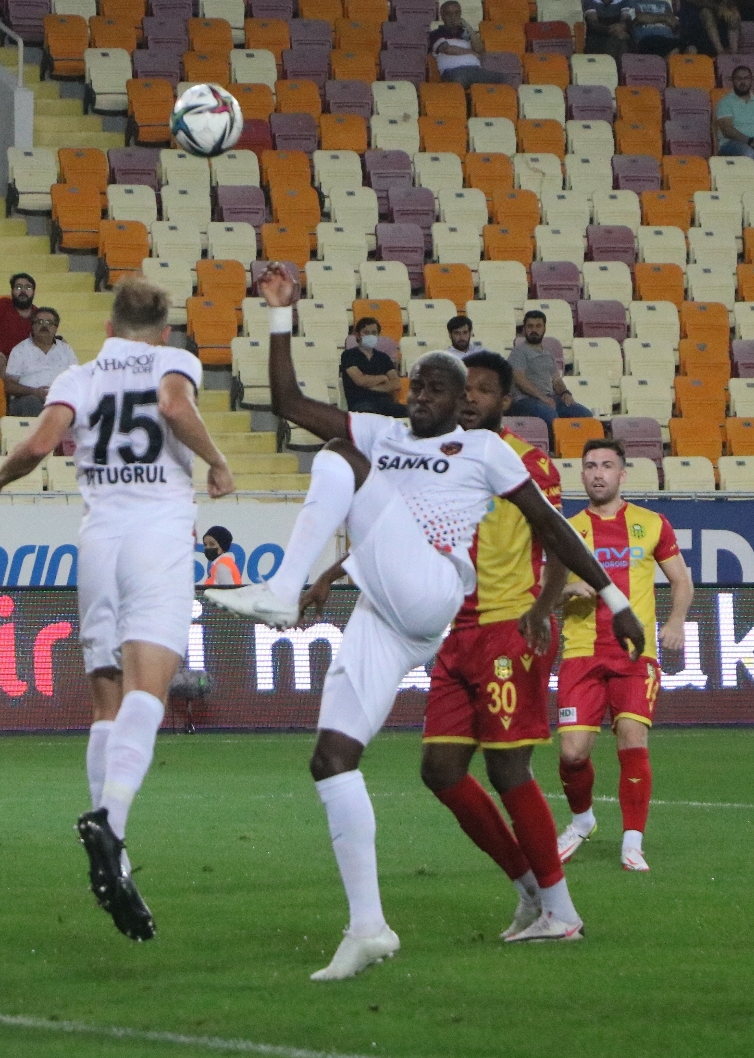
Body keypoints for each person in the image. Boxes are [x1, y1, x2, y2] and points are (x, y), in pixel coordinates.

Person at [207, 264, 645, 978]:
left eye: (445, 390)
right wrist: (280, 313)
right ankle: (367, 927)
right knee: (334, 759)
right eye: (422, 387)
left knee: (341, 455)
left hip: (440, 587)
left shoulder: (482, 449)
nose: (430, 398)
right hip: (393, 612)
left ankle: (279, 590)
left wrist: (616, 599)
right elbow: (286, 400)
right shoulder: (387, 432)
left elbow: (553, 527)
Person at [0, 276, 235, 942]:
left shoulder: (78, 376)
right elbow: (172, 405)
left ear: (109, 330)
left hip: (98, 540)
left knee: (106, 702)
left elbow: (35, 445)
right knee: (150, 687)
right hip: (156, 536)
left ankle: (117, 854)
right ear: (164, 333)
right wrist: (218, 462)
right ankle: (109, 822)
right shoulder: (175, 362)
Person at [406, 352, 572, 946]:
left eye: (484, 389)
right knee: (440, 769)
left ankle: (562, 911)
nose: (472, 397)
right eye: (465, 388)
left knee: (508, 767)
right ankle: (529, 886)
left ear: (506, 402)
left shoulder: (528, 465)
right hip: (457, 632)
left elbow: (561, 544)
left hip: (510, 627)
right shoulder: (436, 462)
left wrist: (541, 610)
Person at [525, 439, 694, 873]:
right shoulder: (566, 528)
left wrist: (675, 623)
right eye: (590, 466)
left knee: (633, 738)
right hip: (582, 653)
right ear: (581, 475)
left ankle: (632, 842)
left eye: (606, 465)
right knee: (572, 754)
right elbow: (544, 591)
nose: (598, 473)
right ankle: (582, 822)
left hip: (635, 654)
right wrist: (566, 590)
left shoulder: (652, 523)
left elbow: (681, 582)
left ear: (622, 474)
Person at [508, 311, 592, 427]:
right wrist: (542, 397)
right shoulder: (519, 352)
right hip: (525, 400)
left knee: (585, 415)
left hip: (549, 399)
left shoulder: (548, 354)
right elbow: (519, 379)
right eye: (530, 326)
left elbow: (556, 380)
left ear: (544, 329)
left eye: (538, 326)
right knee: (550, 416)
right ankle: (555, 445)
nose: (534, 330)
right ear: (524, 329)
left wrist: (565, 393)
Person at [3, 306, 78, 415]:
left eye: (49, 322)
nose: (44, 325)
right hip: (29, 399)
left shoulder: (66, 349)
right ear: (32, 326)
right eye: (40, 322)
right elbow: (9, 385)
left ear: (56, 328)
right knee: (31, 403)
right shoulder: (20, 350)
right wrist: (34, 392)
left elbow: (76, 379)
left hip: (60, 399)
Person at [429, 1, 508, 85]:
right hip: (452, 71)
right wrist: (472, 53)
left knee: (503, 79)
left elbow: (479, 49)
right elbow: (448, 49)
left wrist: (468, 28)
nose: (453, 17)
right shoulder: (436, 33)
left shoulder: (466, 33)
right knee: (462, 77)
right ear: (442, 15)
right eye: (449, 14)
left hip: (475, 70)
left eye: (456, 13)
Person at [340, 316, 405, 417]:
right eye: (366, 332)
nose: (370, 336)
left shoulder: (383, 357)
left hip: (385, 403)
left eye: (374, 333)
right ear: (357, 335)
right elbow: (360, 380)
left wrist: (371, 387)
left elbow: (396, 384)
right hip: (361, 404)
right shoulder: (349, 355)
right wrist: (383, 377)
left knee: (415, 413)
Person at [0, 273, 38, 374]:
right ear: (12, 291)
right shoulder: (4, 304)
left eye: (28, 287)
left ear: (33, 292)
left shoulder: (38, 314)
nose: (23, 291)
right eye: (18, 287)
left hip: (22, 365)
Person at [621, 0, 689, 55]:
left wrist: (648, 19)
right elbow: (635, 18)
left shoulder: (665, 4)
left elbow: (673, 22)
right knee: (674, 49)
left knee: (691, 48)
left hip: (669, 39)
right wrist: (664, 18)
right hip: (646, 40)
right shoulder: (631, 2)